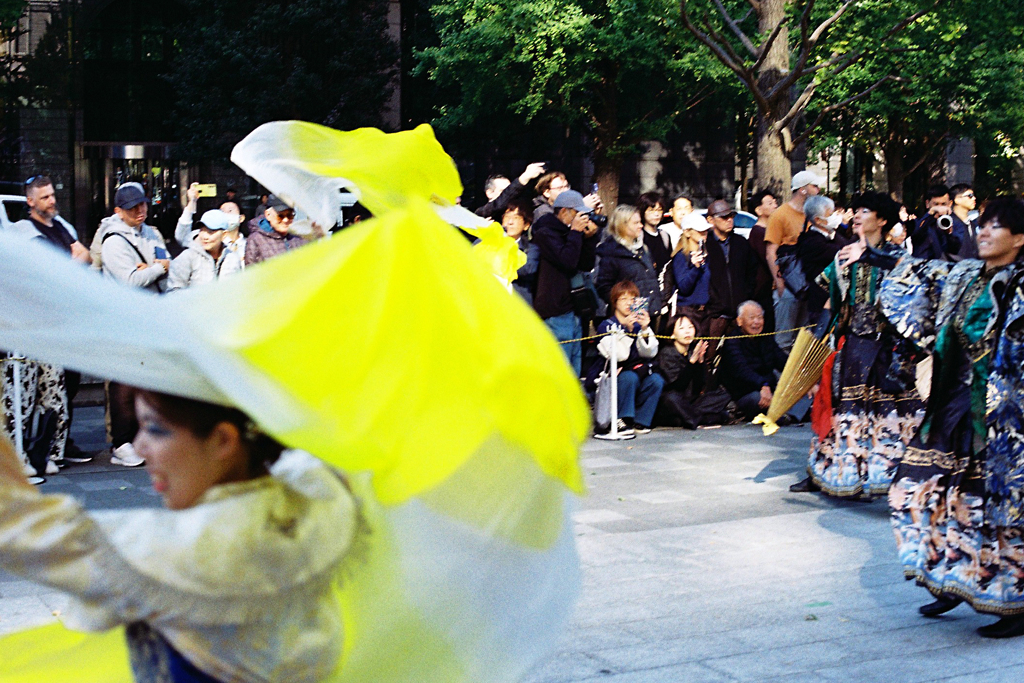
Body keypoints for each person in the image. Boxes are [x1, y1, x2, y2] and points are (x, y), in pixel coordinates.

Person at [0, 388, 359, 680]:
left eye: (155, 429)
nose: (139, 446)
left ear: (222, 440)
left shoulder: (192, 546)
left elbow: (18, 526)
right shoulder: (318, 495)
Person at [874, 196, 1024, 638]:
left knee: (998, 509)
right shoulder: (962, 274)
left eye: (995, 226)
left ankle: (1013, 603)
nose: (982, 231)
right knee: (917, 486)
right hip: (951, 404)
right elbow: (908, 272)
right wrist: (868, 249)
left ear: (1018, 238)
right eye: (982, 224)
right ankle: (949, 575)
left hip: (1003, 419)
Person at [790, 191, 924, 498]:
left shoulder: (900, 258)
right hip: (852, 346)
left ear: (883, 220)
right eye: (857, 210)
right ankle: (826, 472)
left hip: (889, 348)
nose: (857, 215)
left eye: (866, 210)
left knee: (894, 413)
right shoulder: (843, 255)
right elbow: (828, 302)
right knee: (842, 412)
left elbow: (915, 304)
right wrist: (818, 343)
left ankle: (895, 474)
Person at [99, 183, 172, 467]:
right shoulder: (113, 240)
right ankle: (121, 443)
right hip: (122, 321)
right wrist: (154, 268)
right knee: (123, 383)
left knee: (147, 382)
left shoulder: (151, 232)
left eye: (142, 204)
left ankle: (141, 437)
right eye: (132, 207)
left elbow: (168, 265)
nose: (140, 211)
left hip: (149, 317)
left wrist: (154, 269)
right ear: (119, 211)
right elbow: (129, 280)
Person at [531, 189, 600, 375]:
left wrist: (589, 238)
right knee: (560, 370)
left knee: (574, 369)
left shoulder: (570, 233)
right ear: (564, 212)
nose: (582, 217)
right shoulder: (545, 233)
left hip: (575, 309)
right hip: (556, 310)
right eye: (578, 213)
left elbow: (586, 264)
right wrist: (576, 233)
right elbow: (567, 260)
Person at [674, 200, 759, 342]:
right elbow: (686, 285)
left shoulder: (741, 242)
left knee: (736, 352)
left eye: (731, 216)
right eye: (724, 217)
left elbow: (752, 273)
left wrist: (746, 297)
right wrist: (715, 305)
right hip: (712, 313)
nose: (729, 220)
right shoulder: (700, 249)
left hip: (737, 311)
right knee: (706, 354)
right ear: (711, 220)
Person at [590, 281, 663, 437]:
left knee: (656, 380)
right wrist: (628, 332)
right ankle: (620, 419)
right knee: (629, 378)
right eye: (623, 299)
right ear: (615, 302)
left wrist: (645, 328)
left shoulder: (638, 325)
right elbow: (619, 355)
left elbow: (650, 352)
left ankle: (641, 421)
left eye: (633, 299)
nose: (629, 303)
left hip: (637, 370)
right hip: (613, 375)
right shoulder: (606, 325)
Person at [718, 301, 805, 422]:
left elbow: (782, 361)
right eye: (751, 318)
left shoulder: (766, 338)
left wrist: (802, 376)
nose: (756, 322)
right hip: (745, 393)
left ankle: (786, 414)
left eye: (759, 317)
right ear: (739, 321)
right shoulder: (732, 341)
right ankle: (786, 414)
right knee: (758, 399)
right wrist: (762, 385)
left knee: (805, 391)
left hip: (770, 389)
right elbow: (742, 371)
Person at [767, 170, 823, 351]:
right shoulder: (780, 214)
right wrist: (779, 283)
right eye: (814, 186)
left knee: (804, 341)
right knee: (784, 340)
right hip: (788, 288)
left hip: (807, 286)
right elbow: (771, 252)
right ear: (803, 189)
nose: (819, 189)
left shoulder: (813, 215)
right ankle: (781, 379)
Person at [653, 315, 730, 429]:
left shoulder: (692, 351)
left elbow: (699, 387)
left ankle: (686, 418)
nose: (687, 331)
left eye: (690, 327)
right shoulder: (667, 353)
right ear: (672, 334)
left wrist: (700, 361)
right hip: (672, 401)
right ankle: (703, 419)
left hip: (690, 401)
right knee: (671, 398)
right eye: (682, 328)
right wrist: (692, 362)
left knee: (723, 394)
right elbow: (678, 386)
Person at [594, 204, 662, 317]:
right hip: (627, 317)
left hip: (647, 315)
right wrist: (625, 307)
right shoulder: (611, 252)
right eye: (635, 223)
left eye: (640, 222)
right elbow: (604, 287)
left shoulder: (642, 248)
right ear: (622, 225)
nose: (641, 226)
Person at [793, 195, 850, 323]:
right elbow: (843, 251)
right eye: (831, 213)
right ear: (818, 220)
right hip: (820, 303)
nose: (835, 216)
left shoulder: (831, 236)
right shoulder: (812, 242)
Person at [167, 210, 244, 291]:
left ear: (224, 235)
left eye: (210, 232)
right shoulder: (187, 257)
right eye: (202, 230)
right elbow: (173, 292)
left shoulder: (232, 258)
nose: (204, 236)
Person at [243, 194, 308, 266]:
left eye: (290, 215)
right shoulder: (256, 239)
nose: (285, 220)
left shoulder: (298, 237)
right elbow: (250, 272)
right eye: (280, 216)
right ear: (268, 215)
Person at [748, 189, 779, 332]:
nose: (775, 205)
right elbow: (770, 259)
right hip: (763, 290)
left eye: (775, 202)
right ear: (759, 210)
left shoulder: (771, 230)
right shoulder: (758, 232)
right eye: (770, 203)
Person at [475, 162, 546, 222]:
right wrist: (524, 178)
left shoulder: (519, 212)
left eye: (509, 189)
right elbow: (498, 205)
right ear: (489, 193)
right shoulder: (481, 213)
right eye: (503, 191)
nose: (512, 195)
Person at [501, 197, 540, 305]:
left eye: (516, 218)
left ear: (526, 225)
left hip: (518, 306)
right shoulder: (490, 242)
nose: (510, 222)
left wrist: (501, 261)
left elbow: (528, 269)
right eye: (507, 217)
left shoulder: (531, 248)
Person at [908, 184, 961, 261]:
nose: (940, 208)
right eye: (935, 204)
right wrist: (930, 214)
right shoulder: (920, 222)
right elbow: (916, 233)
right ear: (927, 204)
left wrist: (949, 233)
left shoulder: (956, 223)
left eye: (943, 204)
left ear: (950, 204)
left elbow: (955, 249)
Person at [636, 191, 673, 273]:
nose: (656, 214)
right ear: (643, 211)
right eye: (651, 210)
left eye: (659, 210)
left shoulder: (665, 236)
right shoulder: (638, 236)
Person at [949, 183, 980, 260]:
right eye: (970, 196)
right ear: (957, 200)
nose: (974, 198)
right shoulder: (948, 223)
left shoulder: (973, 224)